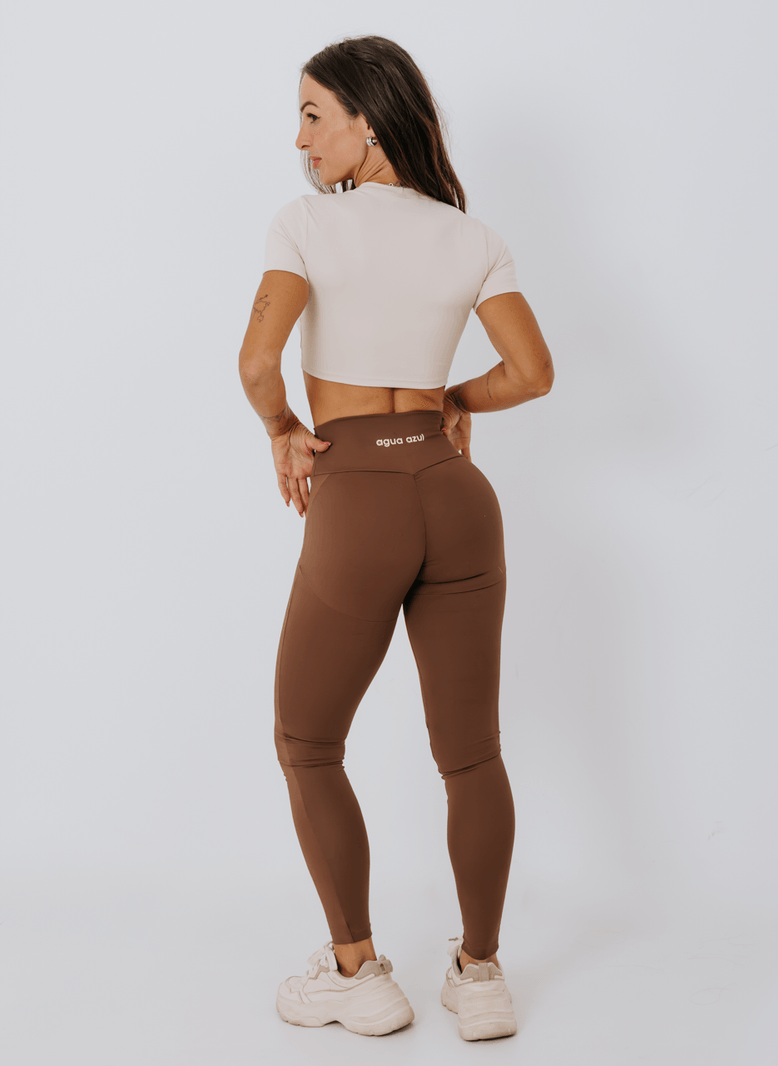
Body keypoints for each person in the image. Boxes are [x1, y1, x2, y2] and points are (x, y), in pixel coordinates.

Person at [238, 35, 554, 1042]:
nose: (299, 139)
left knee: (306, 740)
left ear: (366, 120)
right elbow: (532, 372)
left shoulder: (303, 226)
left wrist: (283, 430)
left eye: (312, 115)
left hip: (358, 499)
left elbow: (257, 364)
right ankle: (481, 972)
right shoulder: (472, 238)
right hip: (456, 497)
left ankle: (357, 972)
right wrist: (452, 400)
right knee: (471, 754)